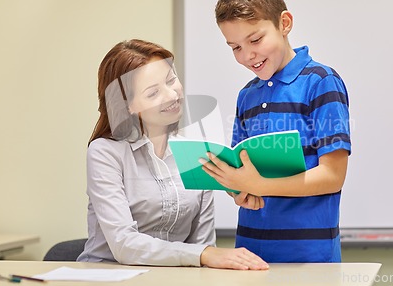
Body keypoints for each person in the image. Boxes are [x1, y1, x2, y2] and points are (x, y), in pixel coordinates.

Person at [77, 39, 268, 270]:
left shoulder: (196, 154)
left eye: (171, 80)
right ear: (127, 105)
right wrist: (205, 254)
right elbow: (124, 245)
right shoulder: (105, 152)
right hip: (107, 277)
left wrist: (207, 255)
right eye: (153, 92)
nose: (171, 95)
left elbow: (203, 245)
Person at [200, 0, 351, 263]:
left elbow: (333, 176)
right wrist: (240, 191)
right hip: (250, 252)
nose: (248, 55)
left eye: (255, 40)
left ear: (284, 24)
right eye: (235, 47)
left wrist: (259, 185)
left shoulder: (321, 82)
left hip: (309, 258)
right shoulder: (247, 95)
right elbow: (243, 170)